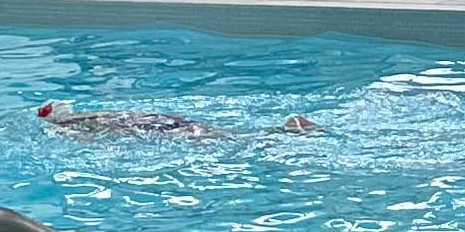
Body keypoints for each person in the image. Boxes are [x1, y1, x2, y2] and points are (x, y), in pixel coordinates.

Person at [35, 104, 319, 140]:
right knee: (227, 134)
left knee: (230, 138)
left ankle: (287, 129)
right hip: (165, 121)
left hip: (160, 128)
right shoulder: (96, 113)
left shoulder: (75, 125)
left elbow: (90, 141)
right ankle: (286, 128)